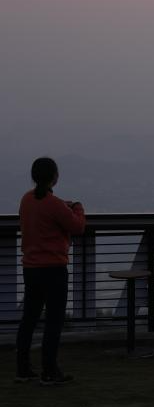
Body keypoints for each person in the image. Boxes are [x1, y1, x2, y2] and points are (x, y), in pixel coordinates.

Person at [15, 157, 86, 385]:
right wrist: (77, 207)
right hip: (53, 269)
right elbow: (77, 226)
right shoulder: (53, 204)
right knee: (53, 321)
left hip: (31, 268)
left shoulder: (27, 200)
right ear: (54, 177)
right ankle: (49, 371)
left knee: (29, 319)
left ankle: (23, 369)